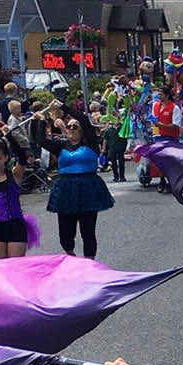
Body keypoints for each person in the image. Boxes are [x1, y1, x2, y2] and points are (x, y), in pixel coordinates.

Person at [34, 109, 113, 258]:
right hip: (66, 189)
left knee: (88, 230)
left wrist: (63, 106)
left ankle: (90, 261)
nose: (71, 128)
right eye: (68, 126)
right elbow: (41, 140)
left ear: (81, 130)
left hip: (88, 188)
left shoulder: (90, 143)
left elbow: (83, 119)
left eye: (75, 126)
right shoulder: (61, 146)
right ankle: (70, 254)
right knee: (65, 231)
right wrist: (40, 120)